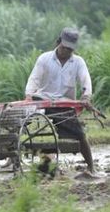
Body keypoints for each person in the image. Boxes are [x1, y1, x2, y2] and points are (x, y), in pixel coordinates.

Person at [25, 27, 94, 173]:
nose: (67, 51)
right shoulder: (44, 58)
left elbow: (85, 80)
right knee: (25, 125)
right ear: (58, 42)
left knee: (79, 134)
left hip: (64, 104)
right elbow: (34, 79)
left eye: (70, 49)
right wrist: (29, 96)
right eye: (64, 47)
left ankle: (91, 167)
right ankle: (11, 159)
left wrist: (86, 96)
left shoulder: (78, 62)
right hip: (42, 99)